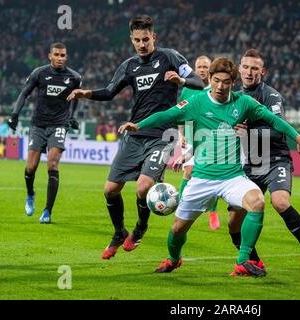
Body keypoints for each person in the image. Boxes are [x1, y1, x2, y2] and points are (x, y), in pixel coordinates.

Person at [118, 57, 300, 276]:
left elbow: (273, 120)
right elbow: (166, 115)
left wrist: (296, 135)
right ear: (210, 79)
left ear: (233, 82)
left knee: (257, 202)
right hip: (201, 179)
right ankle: (174, 259)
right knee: (178, 229)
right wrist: (139, 124)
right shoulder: (197, 102)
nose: (220, 86)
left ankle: (243, 260)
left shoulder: (243, 103)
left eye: (225, 82)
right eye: (216, 80)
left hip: (232, 178)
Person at [67, 15, 205, 259]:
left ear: (154, 37)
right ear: (131, 40)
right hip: (135, 132)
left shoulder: (170, 57)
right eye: (137, 40)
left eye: (146, 39)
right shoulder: (129, 65)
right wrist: (84, 93)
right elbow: (110, 92)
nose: (142, 44)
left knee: (144, 187)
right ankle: (119, 232)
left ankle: (141, 227)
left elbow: (198, 81)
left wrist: (180, 79)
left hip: (163, 135)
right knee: (110, 190)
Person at [227, 49, 300, 279]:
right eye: (246, 67)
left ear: (262, 72)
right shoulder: (235, 98)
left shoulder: (272, 96)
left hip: (275, 159)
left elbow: (278, 129)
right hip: (250, 164)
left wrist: (249, 130)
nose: (249, 72)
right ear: (239, 69)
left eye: (255, 68)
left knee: (280, 202)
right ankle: (253, 261)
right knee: (233, 224)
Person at [7, 42, 81, 224]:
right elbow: (24, 93)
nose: (60, 58)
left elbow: (76, 97)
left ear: (66, 57)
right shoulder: (39, 73)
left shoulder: (74, 77)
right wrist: (15, 115)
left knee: (52, 165)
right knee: (31, 167)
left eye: (63, 55)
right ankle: (30, 194)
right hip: (38, 125)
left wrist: (71, 116)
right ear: (50, 56)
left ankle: (47, 211)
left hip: (58, 125)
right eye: (56, 54)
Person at [175, 55, 221, 230]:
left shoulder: (216, 87)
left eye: (205, 66)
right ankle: (180, 205)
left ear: (211, 69)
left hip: (210, 137)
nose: (202, 69)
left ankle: (213, 212)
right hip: (191, 136)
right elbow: (181, 114)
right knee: (189, 172)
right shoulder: (187, 89)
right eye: (199, 66)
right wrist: (181, 135)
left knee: (211, 174)